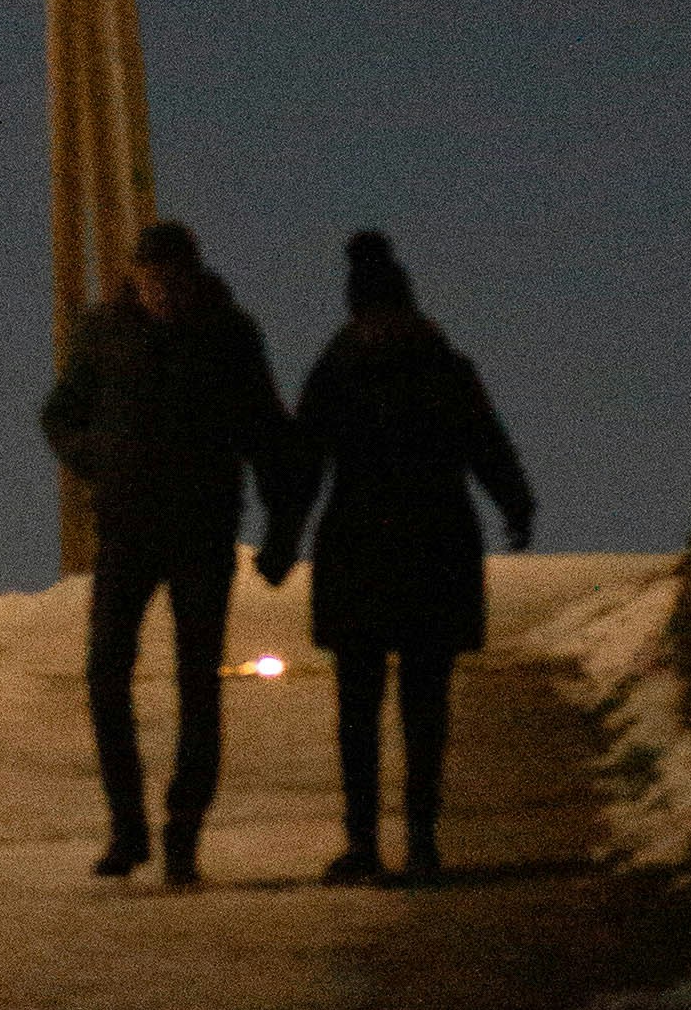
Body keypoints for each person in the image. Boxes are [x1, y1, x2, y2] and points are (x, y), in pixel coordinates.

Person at [261, 231, 534, 885]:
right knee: (409, 706)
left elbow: (307, 464)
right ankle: (406, 841)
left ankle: (384, 840)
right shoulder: (440, 365)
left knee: (380, 709)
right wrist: (516, 505)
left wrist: (283, 542)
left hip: (374, 554)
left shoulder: (345, 368)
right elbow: (485, 443)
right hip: (423, 551)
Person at [41, 218, 296, 887]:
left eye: (172, 279)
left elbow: (268, 433)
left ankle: (182, 831)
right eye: (151, 279)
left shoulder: (228, 335)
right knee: (105, 675)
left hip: (202, 531)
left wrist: (281, 534)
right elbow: (61, 412)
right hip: (126, 530)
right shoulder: (104, 331)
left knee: (197, 683)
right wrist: (93, 457)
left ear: (191, 274)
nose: (162, 292)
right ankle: (128, 829)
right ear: (134, 276)